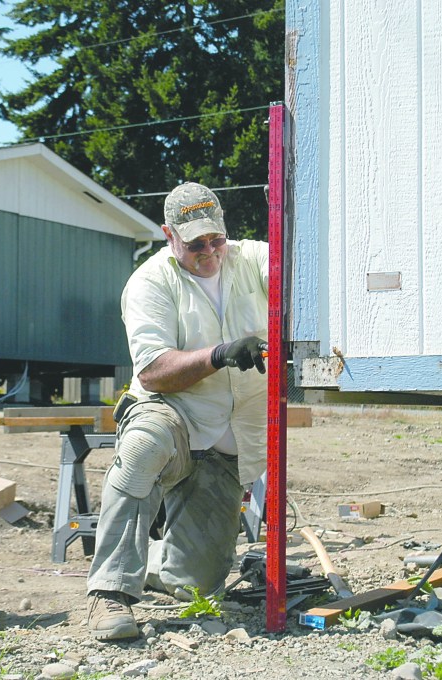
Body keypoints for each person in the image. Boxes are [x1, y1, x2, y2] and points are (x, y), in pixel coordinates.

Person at [86, 182, 269, 640]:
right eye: (195, 244)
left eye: (216, 239)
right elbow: (153, 372)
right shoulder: (149, 282)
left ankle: (149, 561)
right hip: (174, 417)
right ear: (169, 235)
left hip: (227, 445)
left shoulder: (253, 260)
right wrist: (219, 354)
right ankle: (110, 592)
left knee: (197, 583)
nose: (209, 251)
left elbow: (303, 277)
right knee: (143, 446)